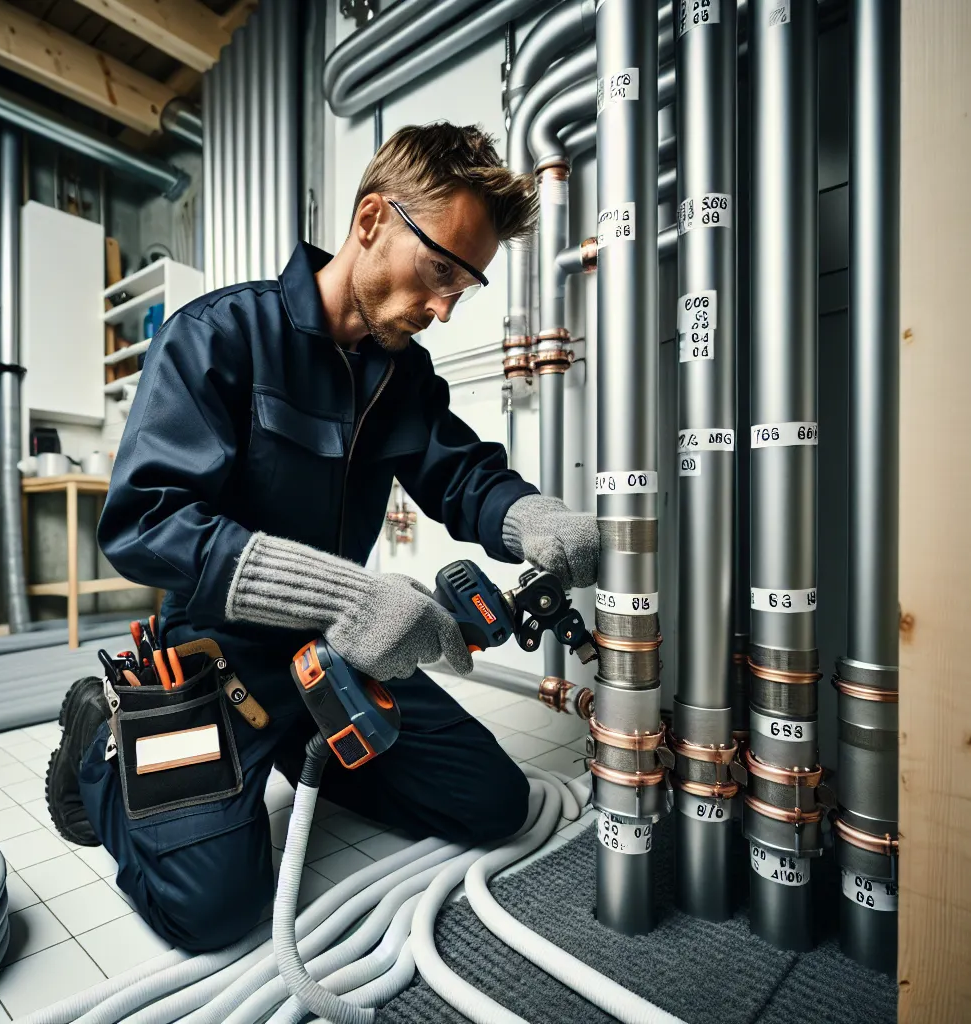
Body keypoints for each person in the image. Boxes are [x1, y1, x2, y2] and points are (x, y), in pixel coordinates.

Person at [44, 122, 598, 952]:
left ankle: (296, 752)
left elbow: (460, 475)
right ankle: (101, 739)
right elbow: (145, 520)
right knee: (214, 912)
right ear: (372, 219)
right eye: (440, 270)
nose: (446, 307)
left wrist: (536, 520)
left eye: (466, 285)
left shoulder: (403, 375)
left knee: (494, 804)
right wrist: (348, 595)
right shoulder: (221, 335)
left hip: (335, 654)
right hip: (220, 658)